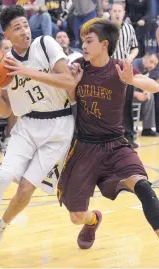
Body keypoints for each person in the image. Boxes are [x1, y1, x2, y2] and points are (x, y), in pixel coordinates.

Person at [0, 5, 75, 266]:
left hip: (59, 126)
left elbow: (68, 81)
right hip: (27, 125)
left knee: (25, 190)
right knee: (2, 177)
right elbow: (5, 110)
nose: (24, 31)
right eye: (17, 28)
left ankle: (0, 227)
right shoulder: (4, 64)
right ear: (6, 34)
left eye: (25, 25)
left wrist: (27, 72)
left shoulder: (46, 44)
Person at [58, 18, 159, 251]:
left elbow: (154, 86)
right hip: (84, 146)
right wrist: (72, 84)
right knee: (76, 216)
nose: (83, 45)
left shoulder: (120, 67)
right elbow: (72, 99)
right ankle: (93, 220)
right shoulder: (79, 67)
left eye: (88, 41)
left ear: (104, 44)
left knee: (143, 187)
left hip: (115, 145)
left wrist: (131, 80)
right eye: (82, 40)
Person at [110, 0, 139, 148]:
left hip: (126, 70)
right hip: (109, 70)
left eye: (119, 11)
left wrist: (130, 57)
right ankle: (113, 136)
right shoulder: (105, 28)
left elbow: (135, 48)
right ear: (110, 12)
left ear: (124, 13)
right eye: (114, 11)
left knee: (127, 104)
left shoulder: (129, 28)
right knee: (112, 105)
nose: (116, 14)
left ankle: (129, 136)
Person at [132, 52, 159, 137]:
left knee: (149, 96)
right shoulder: (135, 63)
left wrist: (147, 91)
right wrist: (135, 94)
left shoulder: (146, 70)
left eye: (155, 64)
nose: (153, 66)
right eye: (151, 62)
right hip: (125, 94)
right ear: (145, 58)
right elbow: (127, 85)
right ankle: (127, 129)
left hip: (135, 93)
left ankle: (147, 129)